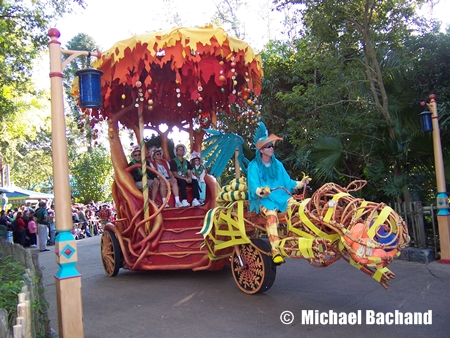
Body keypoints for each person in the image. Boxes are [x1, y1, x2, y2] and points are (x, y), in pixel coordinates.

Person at [247, 122, 309, 264]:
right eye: (267, 146)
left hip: (281, 197)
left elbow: (288, 182)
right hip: (264, 199)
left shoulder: (278, 164)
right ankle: (275, 251)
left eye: (271, 146)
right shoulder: (254, 166)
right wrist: (260, 191)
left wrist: (301, 183)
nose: (271, 148)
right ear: (261, 150)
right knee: (271, 215)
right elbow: (253, 184)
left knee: (298, 207)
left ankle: (299, 241)